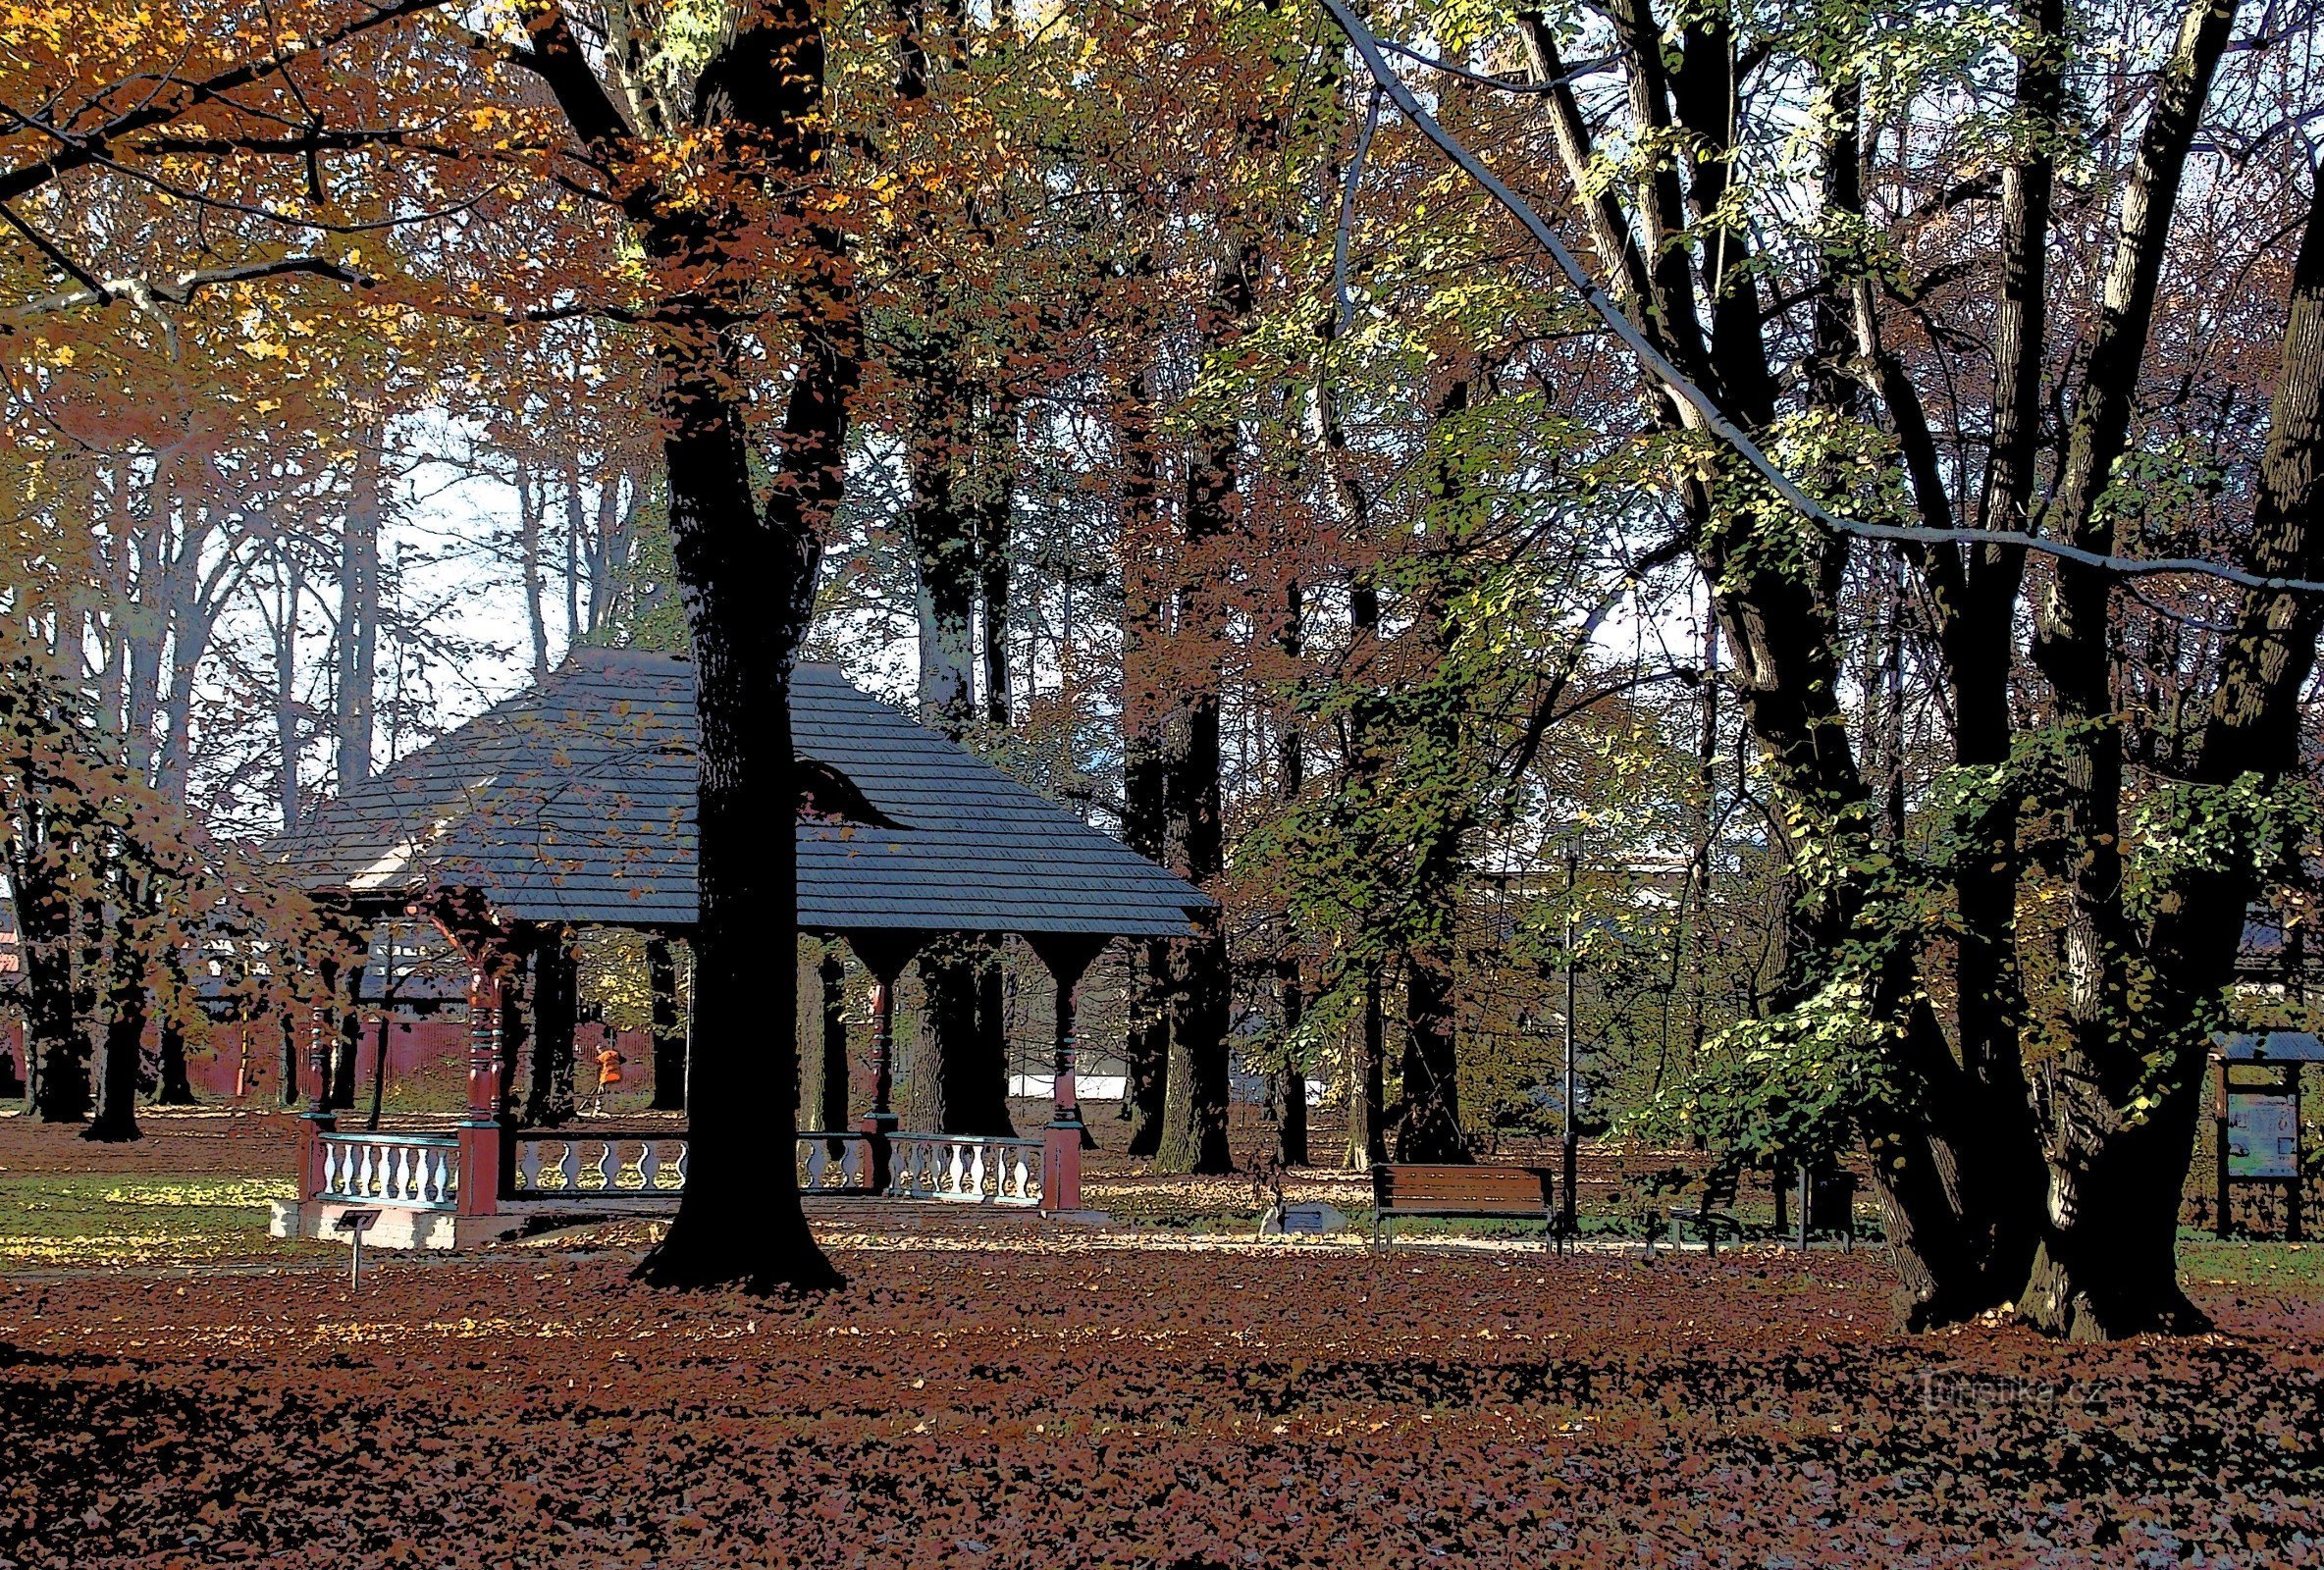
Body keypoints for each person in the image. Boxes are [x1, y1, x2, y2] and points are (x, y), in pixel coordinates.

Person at [586, 1042, 625, 1117]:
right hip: (616, 1076)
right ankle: (614, 1108)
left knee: (600, 1093)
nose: (598, 1052)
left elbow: (596, 1066)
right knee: (612, 1092)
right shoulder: (615, 1053)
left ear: (601, 1048)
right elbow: (623, 1060)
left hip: (606, 1076)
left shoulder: (601, 1056)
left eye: (598, 1050)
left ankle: (598, 1110)